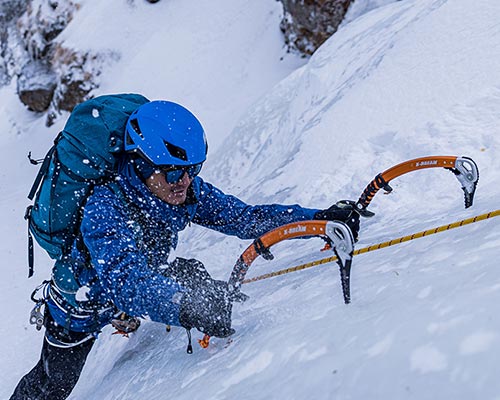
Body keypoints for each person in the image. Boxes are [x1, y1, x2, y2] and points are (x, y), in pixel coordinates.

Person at [10, 100, 360, 399]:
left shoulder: (181, 188)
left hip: (143, 271)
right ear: (142, 164)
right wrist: (189, 307)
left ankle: (140, 313)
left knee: (192, 272)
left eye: (193, 170)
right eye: (176, 173)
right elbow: (128, 284)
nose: (185, 182)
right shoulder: (104, 207)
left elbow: (244, 218)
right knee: (53, 384)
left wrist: (318, 219)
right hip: (82, 304)